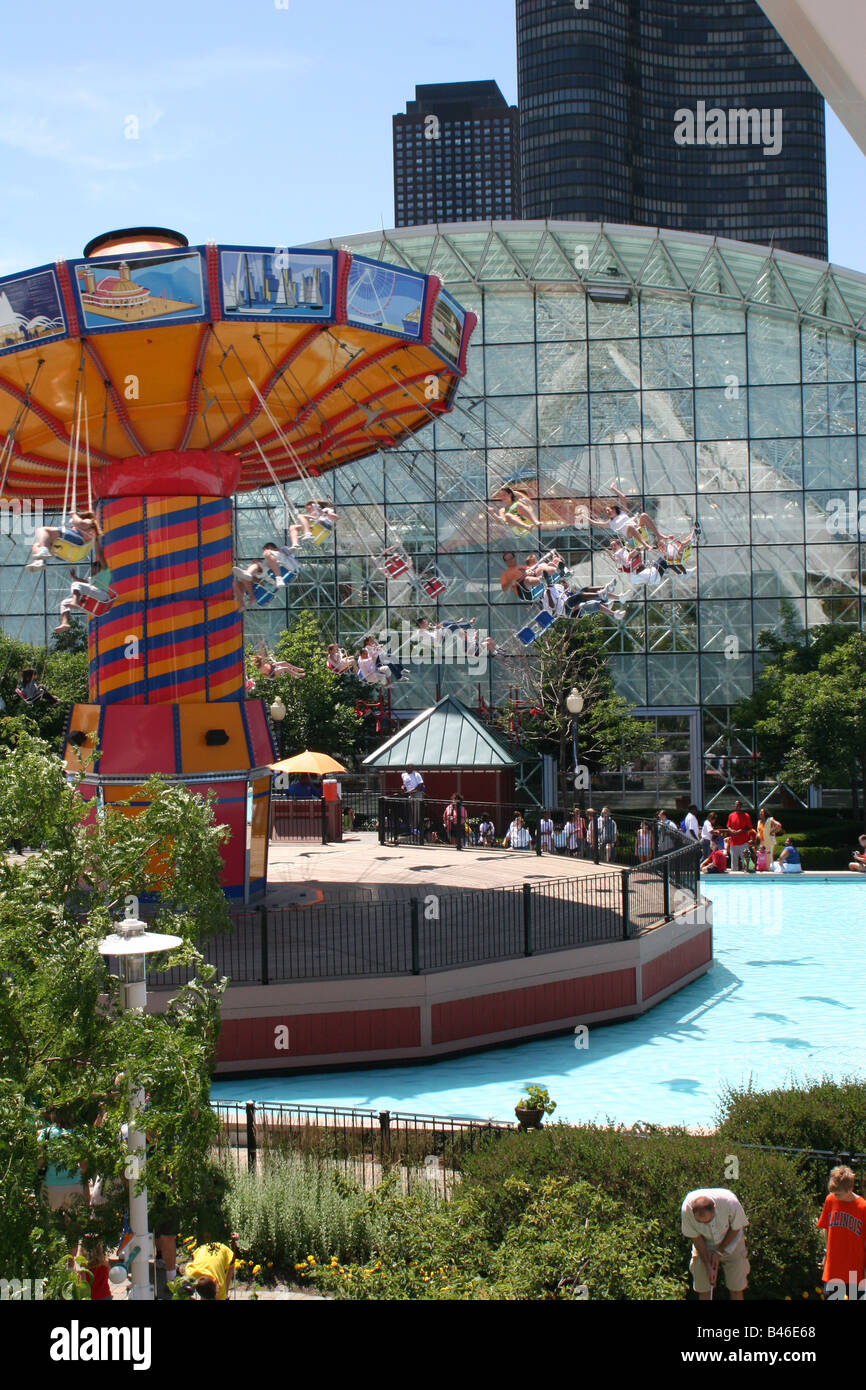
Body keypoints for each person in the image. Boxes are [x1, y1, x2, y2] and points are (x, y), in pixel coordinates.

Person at [681, 1188, 749, 1301]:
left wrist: (718, 1252)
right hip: (704, 1244)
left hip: (732, 1241)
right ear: (692, 1212)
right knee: (703, 1287)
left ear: (715, 1209)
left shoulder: (730, 1202)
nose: (706, 1224)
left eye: (708, 1221)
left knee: (736, 1287)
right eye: (701, 1222)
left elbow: (736, 1228)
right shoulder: (686, 1210)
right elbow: (696, 1238)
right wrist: (708, 1264)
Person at [817, 1165, 866, 1297]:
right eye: (833, 1193)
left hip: (854, 1272)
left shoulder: (862, 1207)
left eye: (838, 1193)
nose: (835, 1196)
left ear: (849, 1189)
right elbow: (827, 1228)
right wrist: (826, 1253)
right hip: (833, 1269)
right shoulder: (830, 1200)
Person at [27, 511, 105, 571]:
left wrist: (73, 514)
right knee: (37, 545)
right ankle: (40, 560)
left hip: (76, 541)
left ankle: (44, 550)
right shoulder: (95, 536)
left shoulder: (90, 522)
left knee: (42, 530)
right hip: (72, 553)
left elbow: (79, 523)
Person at [726, 800, 754, 872]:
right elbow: (728, 826)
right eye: (735, 805)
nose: (736, 806)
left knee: (745, 860)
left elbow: (750, 827)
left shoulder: (746, 815)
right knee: (734, 861)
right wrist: (731, 830)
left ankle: (746, 874)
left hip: (743, 842)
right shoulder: (731, 815)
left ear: (741, 806)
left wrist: (741, 831)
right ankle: (734, 878)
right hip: (733, 842)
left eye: (738, 805)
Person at [401, 765, 425, 840]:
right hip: (409, 794)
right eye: (407, 767)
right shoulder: (403, 775)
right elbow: (406, 784)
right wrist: (403, 787)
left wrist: (412, 791)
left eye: (410, 767)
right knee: (410, 812)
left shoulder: (417, 774)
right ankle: (411, 828)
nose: (408, 768)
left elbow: (420, 786)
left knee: (416, 811)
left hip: (417, 794)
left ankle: (415, 828)